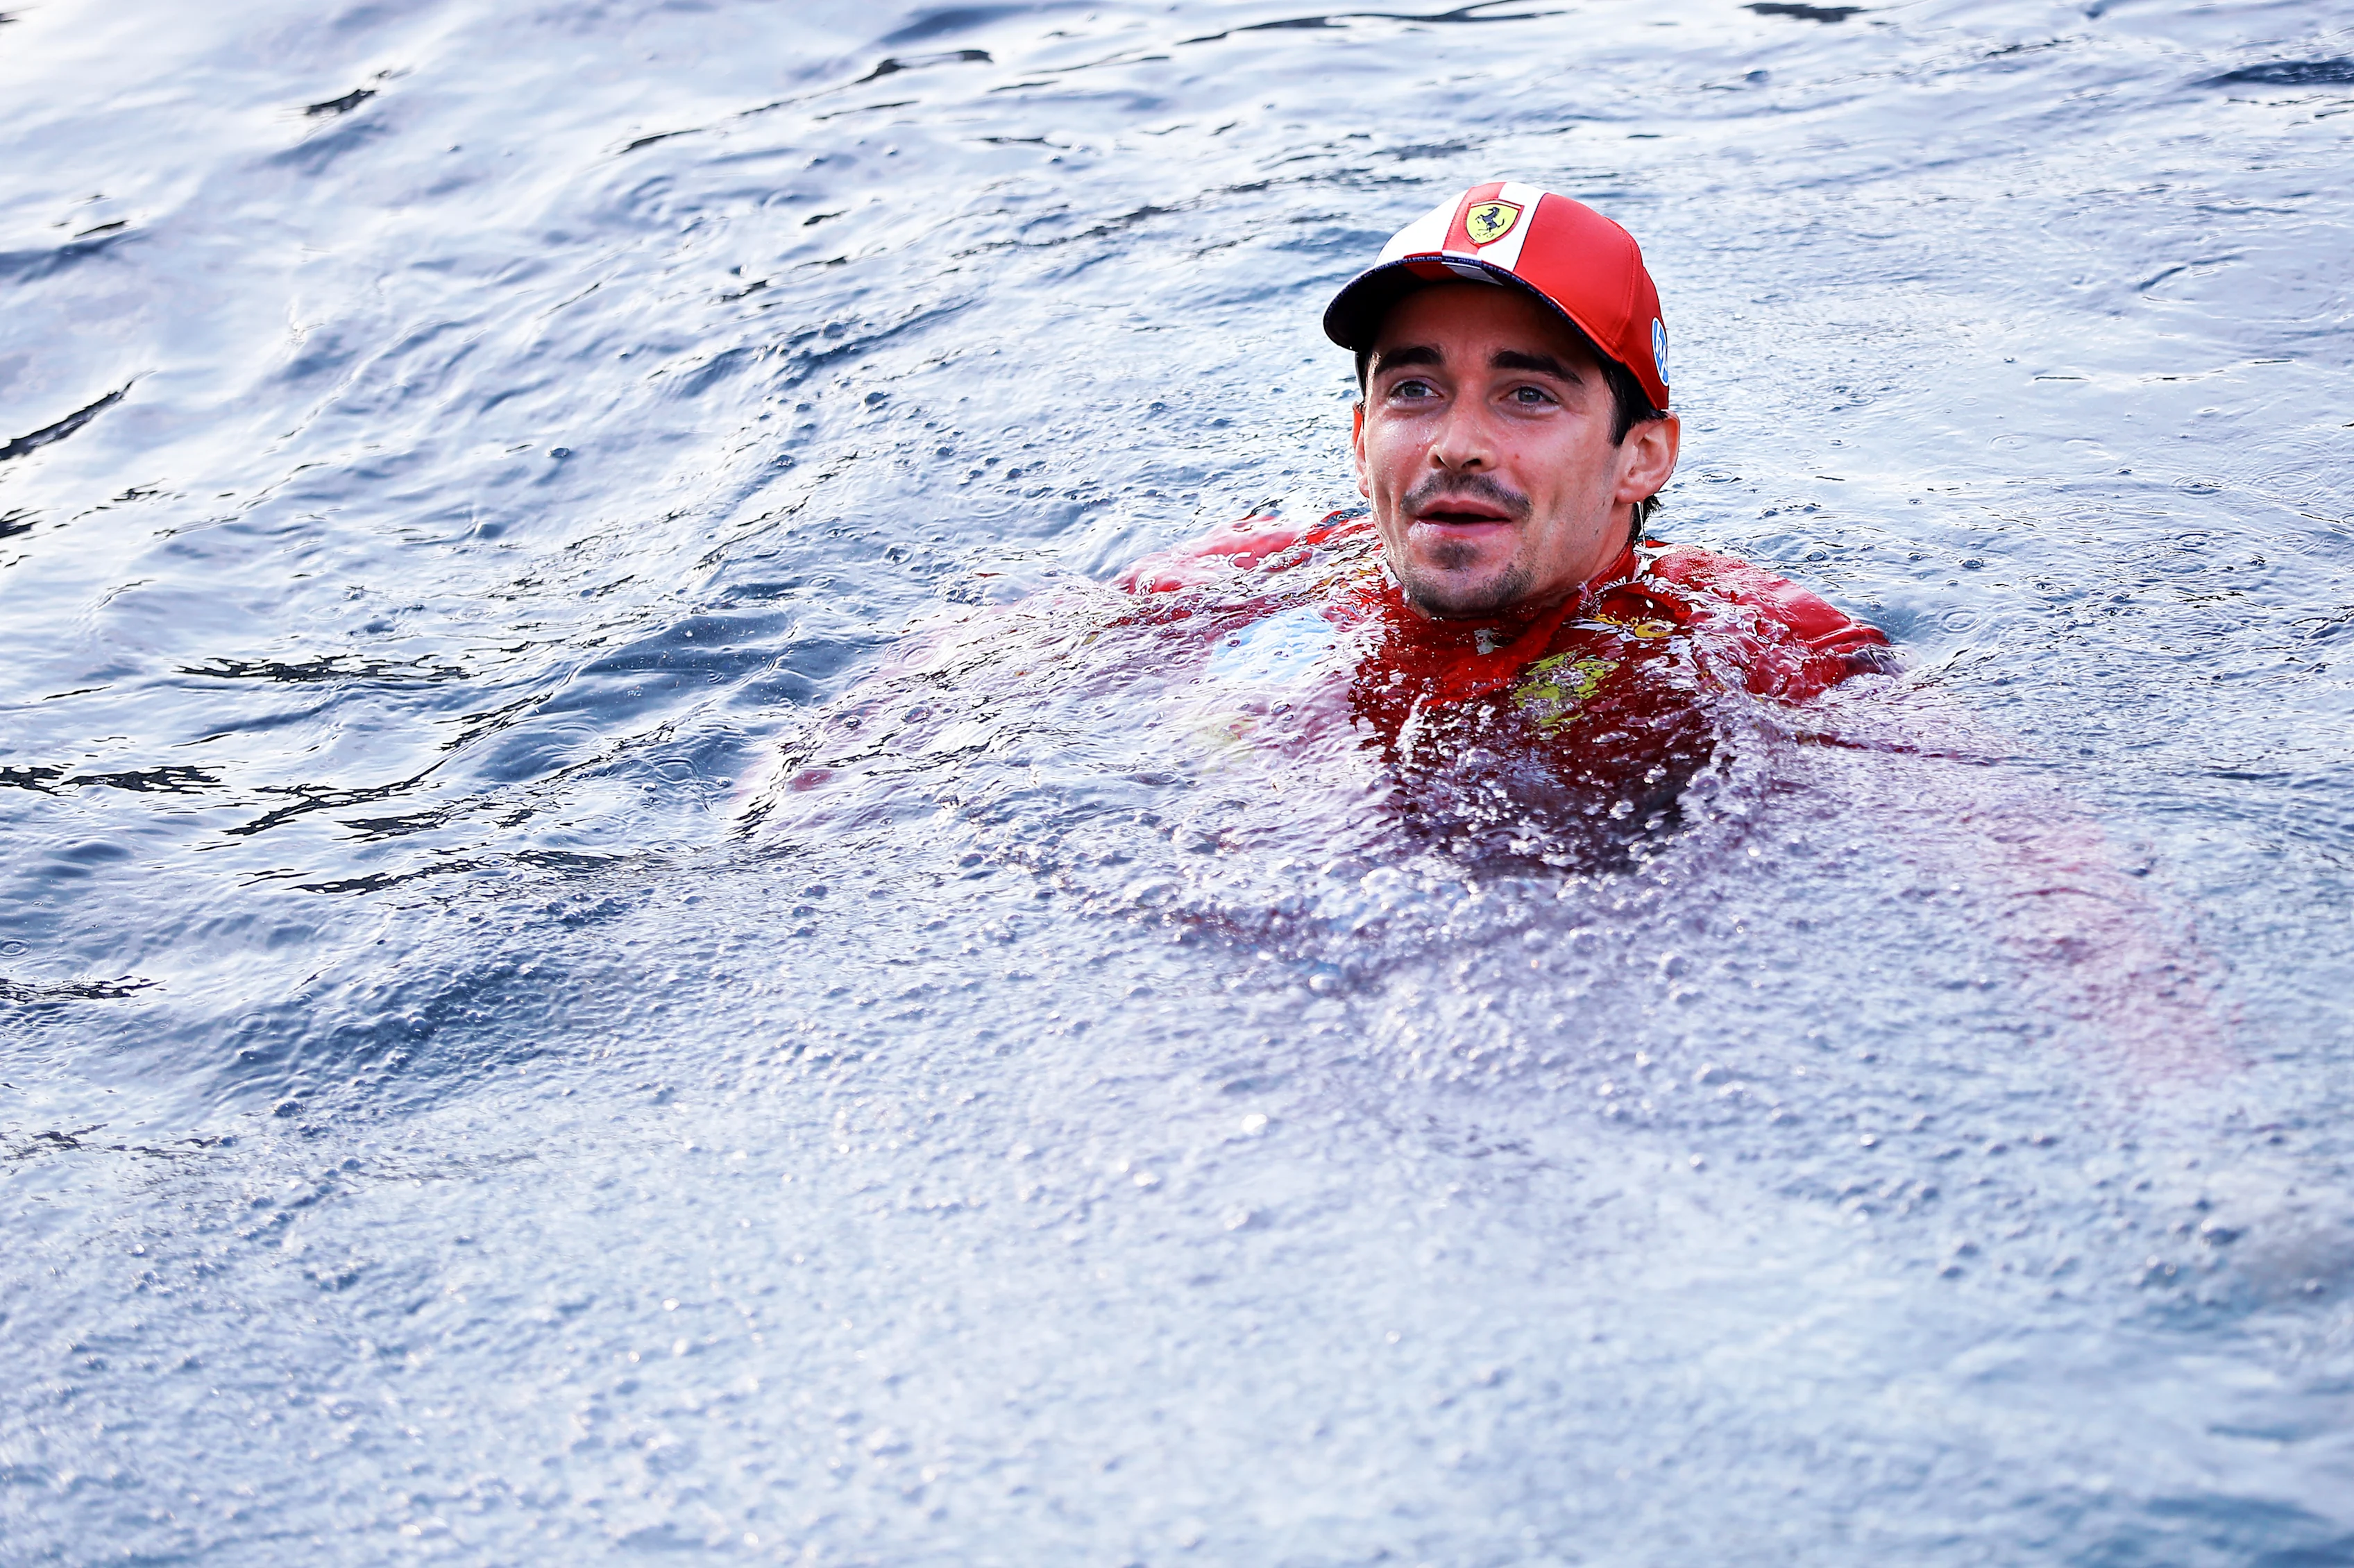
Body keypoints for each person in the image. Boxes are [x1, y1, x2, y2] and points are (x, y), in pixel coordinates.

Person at [1110, 180, 1895, 864]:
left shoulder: (1772, 650)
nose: (1456, 446)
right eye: (1414, 389)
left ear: (1643, 455)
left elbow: (1996, 850)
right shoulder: (1243, 578)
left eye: (1527, 394)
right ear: (1359, 440)